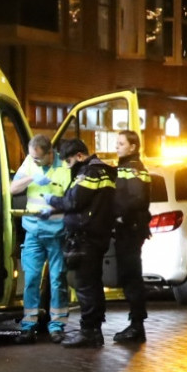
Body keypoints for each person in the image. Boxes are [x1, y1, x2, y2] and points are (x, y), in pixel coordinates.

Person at [41, 138, 116, 348]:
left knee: (85, 286)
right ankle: (94, 330)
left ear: (80, 156)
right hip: (95, 236)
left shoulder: (89, 173)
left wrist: (52, 201)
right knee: (93, 285)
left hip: (86, 238)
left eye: (69, 160)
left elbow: (74, 200)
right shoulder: (103, 171)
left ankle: (88, 331)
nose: (67, 165)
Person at [8, 135, 70, 343]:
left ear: (49, 153)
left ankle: (57, 325)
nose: (34, 161)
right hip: (34, 231)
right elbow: (13, 188)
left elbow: (71, 201)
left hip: (56, 233)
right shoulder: (30, 162)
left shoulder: (64, 168)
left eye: (38, 159)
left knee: (57, 279)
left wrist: (53, 206)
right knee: (31, 280)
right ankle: (29, 325)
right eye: (32, 158)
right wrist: (31, 177)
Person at [111, 130, 152, 343]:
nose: (116, 147)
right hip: (129, 228)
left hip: (130, 229)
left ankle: (137, 326)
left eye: (121, 143)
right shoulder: (126, 167)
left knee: (131, 276)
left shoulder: (133, 168)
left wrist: (118, 215)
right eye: (117, 143)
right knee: (129, 276)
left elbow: (136, 198)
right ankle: (135, 324)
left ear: (133, 147)